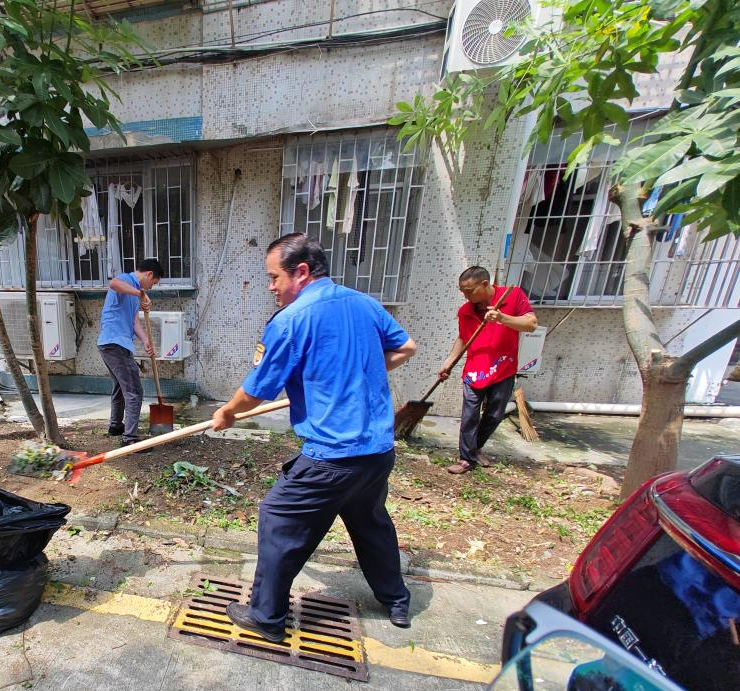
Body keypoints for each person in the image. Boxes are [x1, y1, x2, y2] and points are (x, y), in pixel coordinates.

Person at [212, 233, 418, 641]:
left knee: (278, 516)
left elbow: (257, 391)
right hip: (377, 452)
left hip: (331, 457)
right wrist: (355, 376)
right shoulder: (364, 304)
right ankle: (395, 599)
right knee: (369, 521)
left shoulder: (291, 321)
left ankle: (266, 617)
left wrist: (228, 412)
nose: (270, 287)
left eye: (274, 277)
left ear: (301, 272)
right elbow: (406, 347)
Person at [437, 266, 537, 475]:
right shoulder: (466, 311)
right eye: (463, 292)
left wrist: (502, 318)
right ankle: (466, 458)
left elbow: (531, 324)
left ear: (485, 284)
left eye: (469, 291)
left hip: (503, 367)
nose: (466, 296)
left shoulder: (513, 296)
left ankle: (475, 449)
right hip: (475, 370)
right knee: (470, 415)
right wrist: (449, 361)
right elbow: (464, 338)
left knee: (494, 415)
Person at [97, 258, 163, 446]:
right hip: (114, 344)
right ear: (149, 274)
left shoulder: (133, 293)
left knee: (120, 386)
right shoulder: (126, 280)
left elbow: (134, 321)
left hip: (112, 345)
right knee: (134, 391)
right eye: (153, 283)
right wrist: (140, 293)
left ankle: (116, 426)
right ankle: (130, 439)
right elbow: (114, 284)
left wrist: (146, 341)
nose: (151, 288)